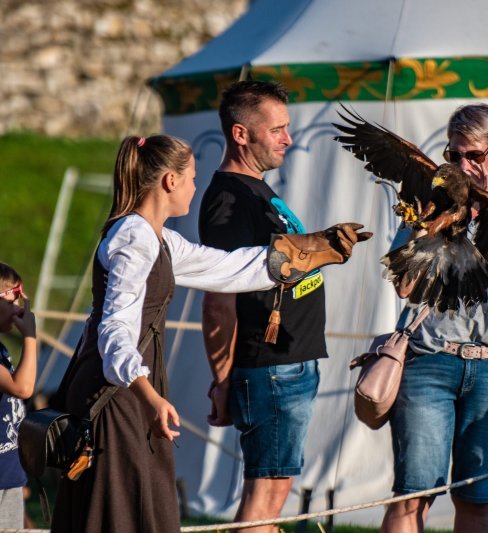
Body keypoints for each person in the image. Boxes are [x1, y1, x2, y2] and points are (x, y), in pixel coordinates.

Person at [51, 134, 367, 533]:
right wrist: (148, 396)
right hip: (116, 391)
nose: (195, 187)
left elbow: (223, 268)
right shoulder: (133, 238)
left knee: (143, 502)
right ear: (169, 181)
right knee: (120, 509)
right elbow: (114, 330)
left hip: (130, 387)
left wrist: (303, 253)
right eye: (192, 178)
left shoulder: (157, 237)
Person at [380, 103, 488, 533]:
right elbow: (405, 287)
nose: (464, 165)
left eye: (474, 156)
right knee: (413, 496)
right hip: (430, 359)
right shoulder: (426, 204)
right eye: (454, 155)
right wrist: (428, 220)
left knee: (476, 499)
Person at [198, 80, 344, 532]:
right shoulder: (228, 201)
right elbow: (218, 301)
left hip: (288, 365)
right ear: (242, 134)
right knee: (264, 494)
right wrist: (221, 381)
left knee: (275, 488)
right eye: (278, 129)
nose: (289, 139)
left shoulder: (257, 192)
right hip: (269, 368)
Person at [0, 263, 37, 529]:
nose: (20, 307)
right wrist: (30, 338)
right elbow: (22, 387)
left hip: (8, 475)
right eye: (15, 296)